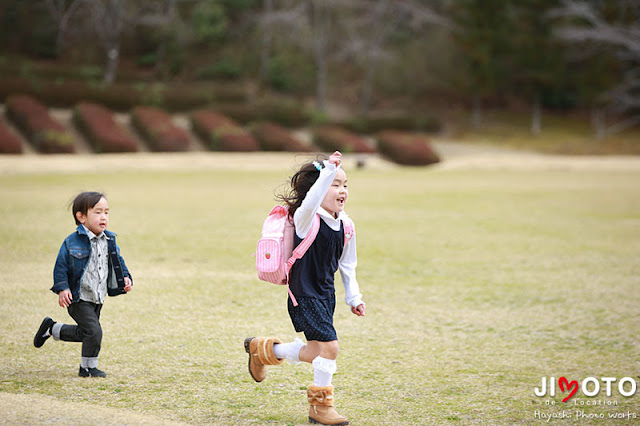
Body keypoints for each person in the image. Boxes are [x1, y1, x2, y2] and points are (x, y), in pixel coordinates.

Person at [245, 151, 365, 426]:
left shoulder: (346, 224)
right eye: (335, 184)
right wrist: (326, 172)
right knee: (330, 348)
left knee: (315, 351)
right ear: (319, 187)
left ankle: (263, 350)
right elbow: (311, 200)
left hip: (326, 294)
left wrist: (354, 296)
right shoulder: (306, 218)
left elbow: (348, 264)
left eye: (345, 184)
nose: (342, 190)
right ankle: (320, 408)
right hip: (303, 293)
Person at [33, 191, 133, 378]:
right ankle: (87, 368)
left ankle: (52, 328)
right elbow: (61, 266)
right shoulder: (72, 241)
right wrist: (63, 288)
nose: (103, 217)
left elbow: (118, 262)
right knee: (94, 331)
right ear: (81, 217)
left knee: (86, 332)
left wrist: (126, 278)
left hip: (97, 295)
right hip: (78, 296)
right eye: (97, 212)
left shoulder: (110, 240)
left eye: (106, 212)